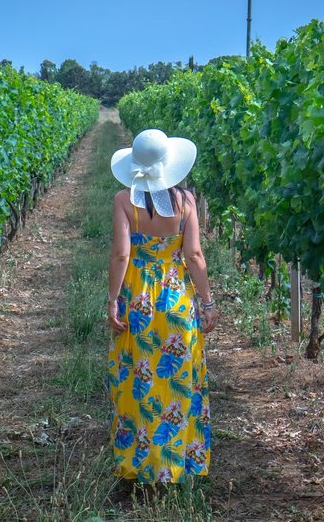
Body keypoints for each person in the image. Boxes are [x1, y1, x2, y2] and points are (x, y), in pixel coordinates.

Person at [106, 128, 219, 483]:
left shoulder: (124, 200)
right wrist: (207, 301)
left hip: (139, 299)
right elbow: (195, 255)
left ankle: (141, 464)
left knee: (140, 378)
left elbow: (122, 254)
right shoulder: (186, 201)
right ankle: (178, 465)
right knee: (180, 380)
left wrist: (113, 300)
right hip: (176, 300)